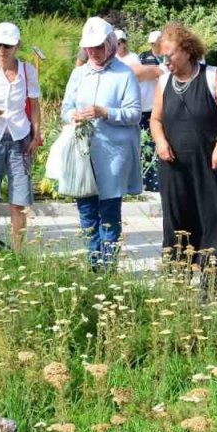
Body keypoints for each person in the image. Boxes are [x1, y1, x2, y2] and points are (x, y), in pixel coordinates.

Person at [150, 23, 217, 273]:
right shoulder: (164, 81)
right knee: (176, 218)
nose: (165, 62)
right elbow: (155, 119)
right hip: (173, 164)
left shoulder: (212, 75)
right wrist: (161, 142)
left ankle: (213, 274)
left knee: (214, 216)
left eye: (170, 55)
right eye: (162, 57)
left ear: (187, 51)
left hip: (210, 161)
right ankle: (179, 273)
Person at [61, 17, 142, 270]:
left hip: (113, 155)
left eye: (98, 47)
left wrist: (105, 112)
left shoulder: (124, 73)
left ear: (110, 45)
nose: (93, 52)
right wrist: (73, 115)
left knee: (108, 213)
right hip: (83, 154)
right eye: (89, 48)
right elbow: (66, 108)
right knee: (86, 213)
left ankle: (108, 267)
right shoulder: (79, 73)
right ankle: (93, 264)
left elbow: (134, 114)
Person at [0, 23, 41, 252]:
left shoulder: (27, 70)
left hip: (20, 137)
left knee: (19, 201)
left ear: (17, 46)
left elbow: (34, 104)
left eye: (7, 45)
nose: (2, 49)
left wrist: (37, 135)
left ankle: (18, 252)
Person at [119, 29, 164, 193]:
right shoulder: (144, 57)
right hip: (139, 109)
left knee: (152, 145)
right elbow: (138, 74)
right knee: (142, 145)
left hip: (154, 107)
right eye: (153, 43)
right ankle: (143, 181)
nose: (155, 46)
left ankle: (153, 183)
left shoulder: (136, 58)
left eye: (121, 42)